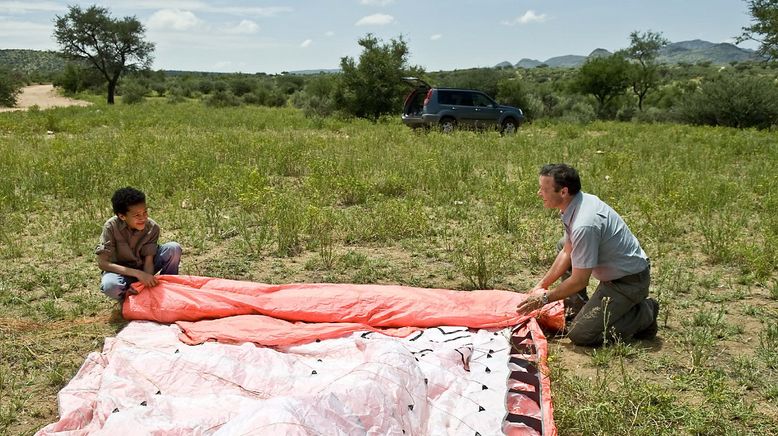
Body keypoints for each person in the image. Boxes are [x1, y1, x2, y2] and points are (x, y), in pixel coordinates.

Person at [516, 164, 658, 346]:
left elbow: (580, 280)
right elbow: (568, 250)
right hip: (615, 273)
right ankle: (579, 309)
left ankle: (645, 312)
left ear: (563, 192)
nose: (538, 193)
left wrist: (544, 299)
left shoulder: (585, 224)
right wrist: (541, 285)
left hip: (628, 282)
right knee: (562, 245)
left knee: (580, 334)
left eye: (544, 189)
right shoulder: (575, 204)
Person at [96, 187, 182, 301]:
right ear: (122, 216)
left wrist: (146, 278)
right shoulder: (110, 227)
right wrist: (138, 274)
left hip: (144, 268)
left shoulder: (152, 227)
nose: (143, 218)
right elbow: (103, 263)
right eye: (137, 215)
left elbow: (149, 261)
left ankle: (168, 289)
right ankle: (127, 299)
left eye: (145, 212)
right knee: (110, 286)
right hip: (121, 272)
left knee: (173, 248)